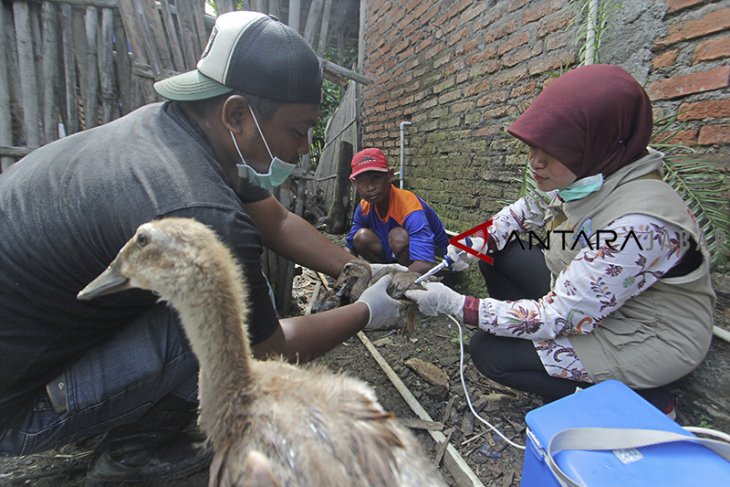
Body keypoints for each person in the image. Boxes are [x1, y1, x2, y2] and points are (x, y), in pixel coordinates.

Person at [0, 11, 404, 484]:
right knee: (219, 314)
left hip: (29, 358)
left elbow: (276, 219)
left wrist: (357, 271)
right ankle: (133, 454)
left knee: (235, 300)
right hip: (16, 412)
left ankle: (113, 406)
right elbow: (262, 353)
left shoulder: (174, 132)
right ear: (236, 113)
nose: (303, 150)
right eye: (298, 130)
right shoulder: (199, 208)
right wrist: (367, 313)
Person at [405, 64, 715, 416]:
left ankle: (649, 401)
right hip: (595, 303)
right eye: (533, 147)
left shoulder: (639, 227)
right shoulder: (591, 175)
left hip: (647, 335)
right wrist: (469, 244)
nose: (535, 162)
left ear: (599, 143)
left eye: (553, 151)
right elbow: (521, 214)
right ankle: (541, 347)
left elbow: (558, 315)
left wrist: (459, 306)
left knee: (491, 353)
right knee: (500, 251)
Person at [345, 147, 450, 275]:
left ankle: (399, 281)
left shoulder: (409, 206)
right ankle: (387, 274)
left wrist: (386, 283)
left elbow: (424, 263)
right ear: (354, 183)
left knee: (398, 237)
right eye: (363, 182)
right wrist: (346, 270)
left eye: (376, 178)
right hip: (396, 256)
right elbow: (349, 248)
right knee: (361, 237)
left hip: (434, 261)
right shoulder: (364, 207)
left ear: (389, 176)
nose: (370, 187)